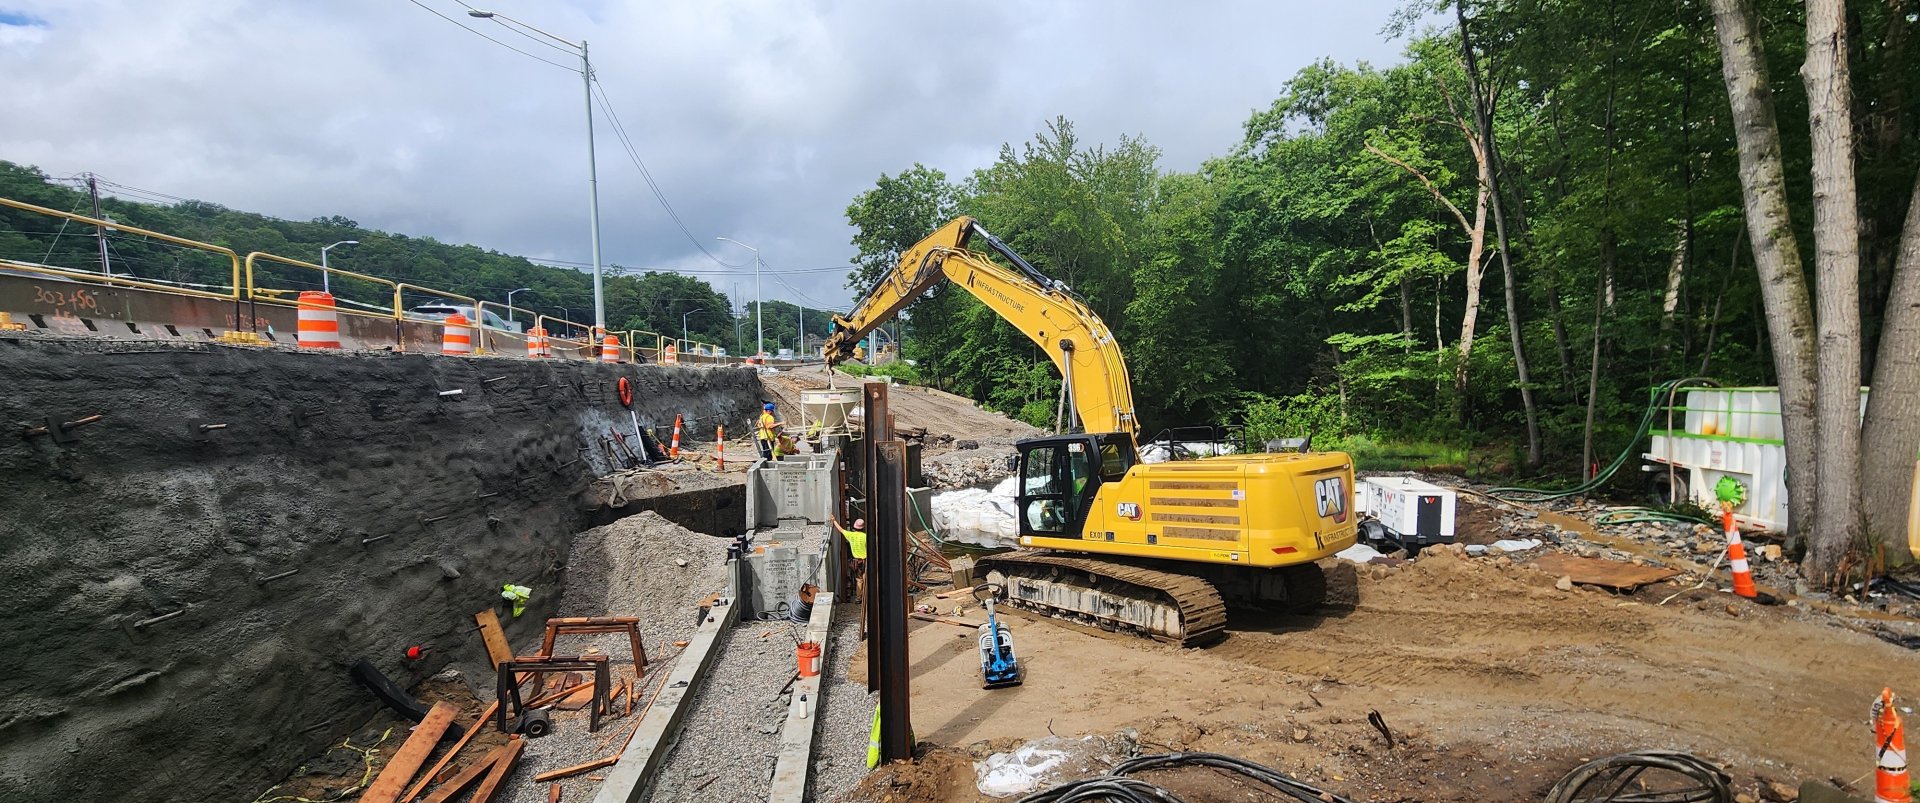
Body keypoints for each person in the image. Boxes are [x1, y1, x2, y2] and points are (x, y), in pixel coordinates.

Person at [832, 515, 868, 636]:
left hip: (856, 562)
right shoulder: (865, 536)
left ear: (854, 527)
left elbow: (841, 529)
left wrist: (834, 521)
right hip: (865, 561)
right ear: (863, 528)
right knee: (866, 579)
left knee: (859, 580)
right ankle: (868, 597)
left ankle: (859, 598)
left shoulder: (851, 535)